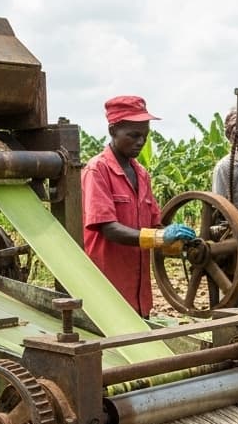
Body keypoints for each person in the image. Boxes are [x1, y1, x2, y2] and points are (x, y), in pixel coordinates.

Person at [81, 95, 195, 317]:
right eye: (133, 135)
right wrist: (160, 238)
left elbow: (155, 225)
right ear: (113, 130)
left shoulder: (142, 174)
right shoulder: (97, 171)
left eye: (145, 135)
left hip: (138, 293)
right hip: (107, 286)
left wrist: (180, 243)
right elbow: (109, 229)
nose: (141, 142)